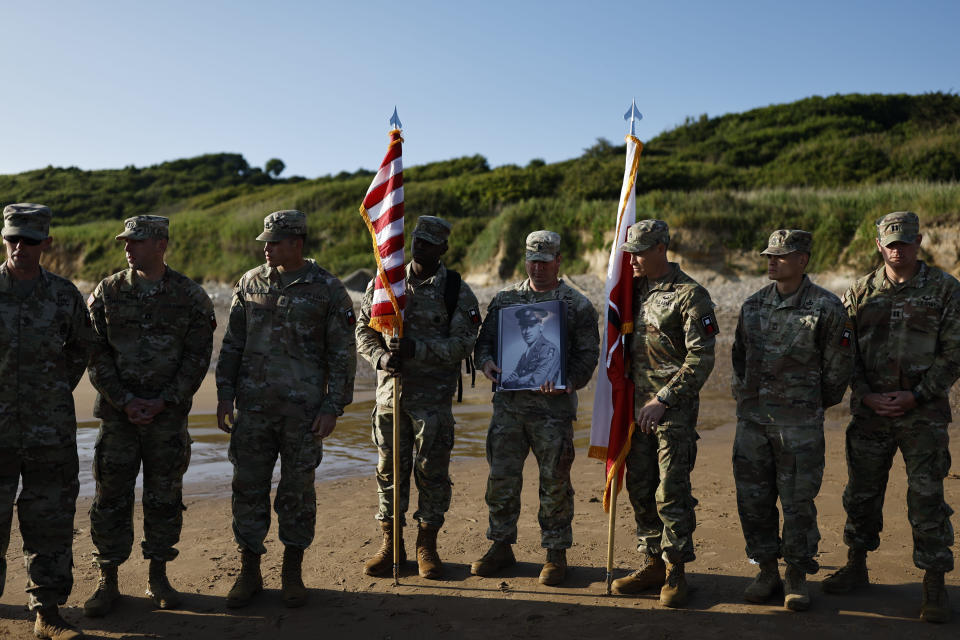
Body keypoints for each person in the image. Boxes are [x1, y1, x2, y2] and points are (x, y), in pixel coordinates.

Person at [216, 210, 356, 608]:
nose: (266, 248)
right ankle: (250, 572)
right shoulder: (250, 282)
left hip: (304, 415)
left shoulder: (327, 290)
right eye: (265, 241)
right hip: (254, 411)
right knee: (248, 489)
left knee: (297, 494)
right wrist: (225, 394)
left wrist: (333, 406)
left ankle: (292, 572)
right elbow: (232, 344)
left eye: (273, 242)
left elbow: (342, 356)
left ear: (296, 243)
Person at [824, 211, 958, 623]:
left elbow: (954, 352)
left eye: (905, 241)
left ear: (919, 242)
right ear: (879, 245)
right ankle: (856, 562)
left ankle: (934, 581)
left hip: (924, 415)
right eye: (890, 243)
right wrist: (865, 396)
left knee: (926, 498)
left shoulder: (945, 289)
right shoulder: (861, 291)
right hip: (871, 415)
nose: (898, 249)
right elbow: (846, 353)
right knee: (861, 493)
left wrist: (917, 395)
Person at [83, 215, 215, 617]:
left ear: (160, 244)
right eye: (125, 240)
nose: (128, 247)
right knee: (111, 498)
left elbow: (197, 358)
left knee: (163, 498)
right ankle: (108, 581)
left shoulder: (189, 296)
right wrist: (124, 400)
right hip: (119, 417)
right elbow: (95, 352)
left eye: (137, 241)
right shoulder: (107, 291)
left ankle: (158, 575)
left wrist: (165, 400)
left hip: (167, 419)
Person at [731, 229, 852, 611]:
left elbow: (838, 371)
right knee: (754, 500)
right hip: (753, 424)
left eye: (781, 256)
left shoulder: (827, 308)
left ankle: (796, 572)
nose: (772, 261)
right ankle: (766, 569)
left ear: (803, 260)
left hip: (799, 427)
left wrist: (809, 407)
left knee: (798, 502)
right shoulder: (752, 306)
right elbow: (738, 358)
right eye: (769, 255)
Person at [471, 230, 599, 586]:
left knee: (555, 483)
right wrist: (487, 365)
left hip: (553, 410)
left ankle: (555, 554)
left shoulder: (576, 304)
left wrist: (570, 381)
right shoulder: (505, 298)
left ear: (559, 260)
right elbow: (484, 344)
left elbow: (589, 353)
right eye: (532, 260)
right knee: (501, 479)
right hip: (508, 408)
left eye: (545, 260)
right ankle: (500, 546)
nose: (538, 267)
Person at [356, 215, 480, 579]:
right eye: (417, 240)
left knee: (432, 474)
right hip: (390, 398)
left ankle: (427, 546)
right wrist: (381, 357)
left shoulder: (455, 289)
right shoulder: (386, 281)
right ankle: (391, 544)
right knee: (389, 473)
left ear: (443, 248)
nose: (420, 246)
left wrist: (417, 349)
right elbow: (364, 330)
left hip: (433, 402)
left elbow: (465, 343)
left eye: (429, 242)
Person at [610, 219, 716, 608]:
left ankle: (675, 570)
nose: (632, 260)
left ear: (660, 248)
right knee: (640, 487)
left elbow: (702, 358)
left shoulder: (691, 295)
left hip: (672, 411)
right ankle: (652, 561)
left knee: (670, 491)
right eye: (630, 252)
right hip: (636, 409)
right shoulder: (630, 292)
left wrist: (665, 398)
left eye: (638, 252)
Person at [0, 203, 91, 640]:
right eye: (13, 238)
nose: (20, 246)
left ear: (46, 244)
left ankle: (48, 614)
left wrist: (51, 392)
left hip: (48, 431)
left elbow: (80, 349)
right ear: (4, 238)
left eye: (30, 240)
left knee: (50, 520)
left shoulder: (64, 295)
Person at [500, 307, 561, 390]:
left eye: (531, 326)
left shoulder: (549, 349)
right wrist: (519, 380)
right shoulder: (525, 355)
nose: (527, 331)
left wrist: (516, 382)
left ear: (541, 327)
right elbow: (508, 381)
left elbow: (538, 383)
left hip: (543, 400)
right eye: (524, 327)